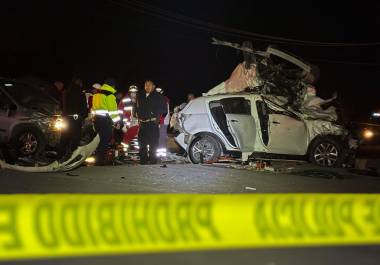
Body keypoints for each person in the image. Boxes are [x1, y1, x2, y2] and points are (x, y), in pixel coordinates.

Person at [136, 80, 166, 165]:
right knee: (142, 142)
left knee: (153, 143)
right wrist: (136, 113)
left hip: (152, 123)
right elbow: (136, 106)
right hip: (142, 123)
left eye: (149, 85)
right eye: (146, 85)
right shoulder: (140, 95)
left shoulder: (158, 96)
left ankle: (153, 160)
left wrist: (157, 117)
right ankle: (143, 160)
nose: (147, 87)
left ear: (153, 86)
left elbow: (164, 109)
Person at [91, 78, 120, 166]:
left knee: (99, 140)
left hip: (97, 120)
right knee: (104, 141)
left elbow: (93, 108)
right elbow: (113, 111)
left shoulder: (96, 95)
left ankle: (97, 159)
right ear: (112, 86)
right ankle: (99, 161)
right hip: (105, 121)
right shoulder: (110, 95)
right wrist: (117, 122)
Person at [59, 77, 88, 158]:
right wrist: (84, 116)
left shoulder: (65, 92)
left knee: (64, 137)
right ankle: (72, 157)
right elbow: (83, 108)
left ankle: (60, 156)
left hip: (65, 118)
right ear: (79, 83)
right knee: (75, 138)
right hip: (75, 119)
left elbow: (61, 105)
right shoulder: (80, 93)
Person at [156, 87, 170, 158]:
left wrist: (158, 121)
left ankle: (162, 154)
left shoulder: (164, 99)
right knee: (158, 137)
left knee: (162, 137)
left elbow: (164, 112)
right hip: (159, 121)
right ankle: (159, 153)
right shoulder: (158, 99)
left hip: (163, 122)